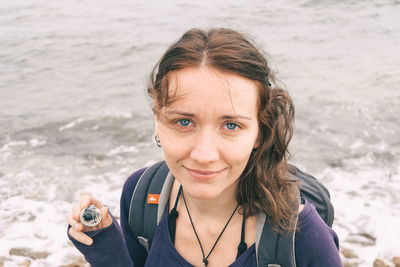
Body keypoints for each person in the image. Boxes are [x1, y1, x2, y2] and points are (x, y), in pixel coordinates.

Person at [67, 28, 342, 267]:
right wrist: (107, 252)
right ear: (157, 121)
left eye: (231, 125)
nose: (204, 155)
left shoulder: (301, 238)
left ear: (260, 131)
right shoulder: (141, 198)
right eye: (184, 121)